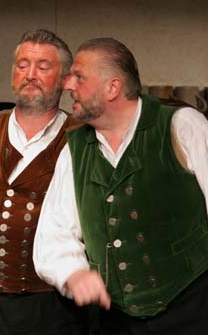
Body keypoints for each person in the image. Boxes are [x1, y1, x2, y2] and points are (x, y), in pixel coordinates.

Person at [33, 37, 208, 334]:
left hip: (194, 309)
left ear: (112, 88)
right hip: (114, 319)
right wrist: (74, 273)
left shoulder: (182, 125)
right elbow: (54, 233)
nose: (67, 84)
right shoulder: (74, 150)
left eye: (79, 77)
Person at [0, 29, 88, 334]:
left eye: (43, 67)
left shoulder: (83, 140)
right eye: (23, 65)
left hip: (57, 306)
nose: (30, 74)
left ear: (65, 79)